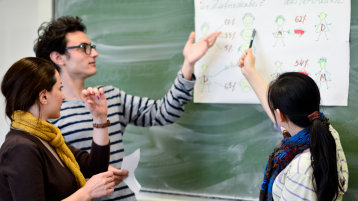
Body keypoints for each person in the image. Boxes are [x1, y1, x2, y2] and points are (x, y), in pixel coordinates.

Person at [34, 16, 220, 200]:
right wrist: (91, 179)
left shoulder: (108, 97)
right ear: (58, 57)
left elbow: (163, 113)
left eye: (92, 47)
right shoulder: (48, 112)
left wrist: (189, 64)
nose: (94, 53)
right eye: (84, 48)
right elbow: (49, 178)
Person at [238, 49, 348, 201]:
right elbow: (281, 114)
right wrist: (249, 71)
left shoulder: (300, 169)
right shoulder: (325, 131)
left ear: (280, 114)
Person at [0, 57, 116, 201]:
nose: (63, 96)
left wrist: (100, 118)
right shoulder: (20, 148)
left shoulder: (47, 137)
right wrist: (86, 193)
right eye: (60, 88)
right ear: (43, 97)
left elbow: (95, 169)